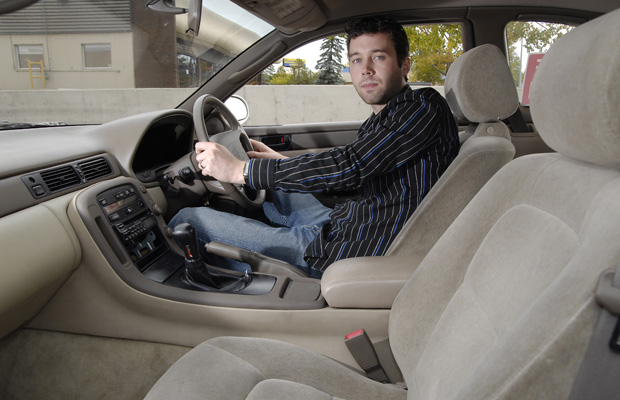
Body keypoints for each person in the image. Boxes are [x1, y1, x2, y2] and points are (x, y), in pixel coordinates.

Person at [169, 16, 460, 278]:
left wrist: (240, 171)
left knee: (189, 219)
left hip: (345, 251)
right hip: (340, 224)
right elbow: (353, 176)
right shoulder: (383, 119)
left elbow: (351, 165)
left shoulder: (423, 106)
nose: (365, 70)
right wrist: (280, 161)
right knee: (270, 187)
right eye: (356, 60)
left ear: (404, 64)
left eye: (378, 57)